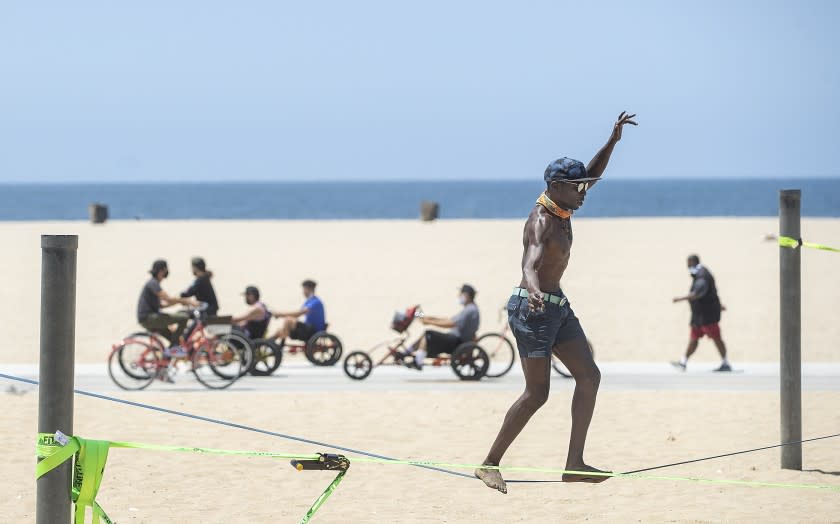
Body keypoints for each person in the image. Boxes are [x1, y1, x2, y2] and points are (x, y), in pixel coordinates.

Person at [475, 111, 638, 494]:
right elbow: (529, 263)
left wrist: (612, 140)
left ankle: (574, 464)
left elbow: (593, 174)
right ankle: (488, 464)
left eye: (584, 187)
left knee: (590, 376)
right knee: (537, 394)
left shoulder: (564, 204)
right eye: (576, 187)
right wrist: (532, 289)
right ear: (555, 186)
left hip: (557, 306)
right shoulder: (541, 220)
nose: (584, 192)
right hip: (530, 309)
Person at [671, 255, 731, 372]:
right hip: (698, 317)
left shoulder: (702, 276)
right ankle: (683, 362)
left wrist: (680, 299)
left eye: (688, 264)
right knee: (694, 339)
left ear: (693, 262)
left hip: (707, 317)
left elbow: (698, 293)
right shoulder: (700, 274)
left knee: (717, 338)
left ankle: (725, 363)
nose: (687, 267)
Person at [402, 284, 480, 370]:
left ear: (466, 295)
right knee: (425, 334)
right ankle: (406, 353)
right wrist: (424, 317)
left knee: (428, 334)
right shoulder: (469, 308)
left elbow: (451, 324)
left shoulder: (470, 310)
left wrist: (429, 322)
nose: (458, 296)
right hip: (455, 339)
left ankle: (418, 361)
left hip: (457, 342)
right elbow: (447, 319)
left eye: (460, 294)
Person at [137, 259, 198, 347]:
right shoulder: (153, 284)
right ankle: (174, 347)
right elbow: (168, 299)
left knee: (172, 337)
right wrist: (185, 300)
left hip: (148, 318)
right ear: (161, 271)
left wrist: (179, 302)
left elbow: (162, 305)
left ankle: (171, 352)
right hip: (149, 318)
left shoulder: (153, 283)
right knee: (184, 318)